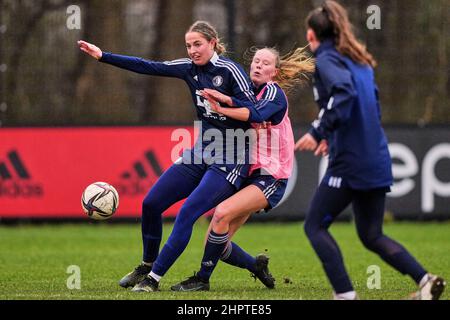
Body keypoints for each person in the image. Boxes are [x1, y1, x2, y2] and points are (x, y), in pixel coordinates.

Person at [78, 21, 257, 292]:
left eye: (198, 44)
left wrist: (223, 101)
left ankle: (154, 280)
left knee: (187, 214)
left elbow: (253, 110)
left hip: (231, 157)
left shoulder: (230, 70)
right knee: (151, 203)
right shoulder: (189, 69)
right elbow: (148, 65)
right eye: (188, 45)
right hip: (200, 152)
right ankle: (147, 264)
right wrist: (103, 56)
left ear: (212, 42)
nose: (193, 50)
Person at [295, 0, 446, 300]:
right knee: (371, 235)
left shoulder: (326, 60)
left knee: (314, 226)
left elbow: (344, 94)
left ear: (312, 35)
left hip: (351, 163)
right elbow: (370, 108)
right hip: (375, 157)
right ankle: (425, 280)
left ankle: (345, 295)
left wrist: (318, 131)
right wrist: (335, 134)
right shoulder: (359, 60)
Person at [170, 47, 315, 291]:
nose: (258, 65)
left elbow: (255, 113)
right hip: (248, 173)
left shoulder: (274, 94)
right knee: (216, 241)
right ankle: (255, 266)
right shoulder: (246, 91)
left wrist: (224, 105)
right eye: (256, 61)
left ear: (274, 72)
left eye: (265, 63)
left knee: (221, 213)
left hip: (271, 176)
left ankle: (202, 280)